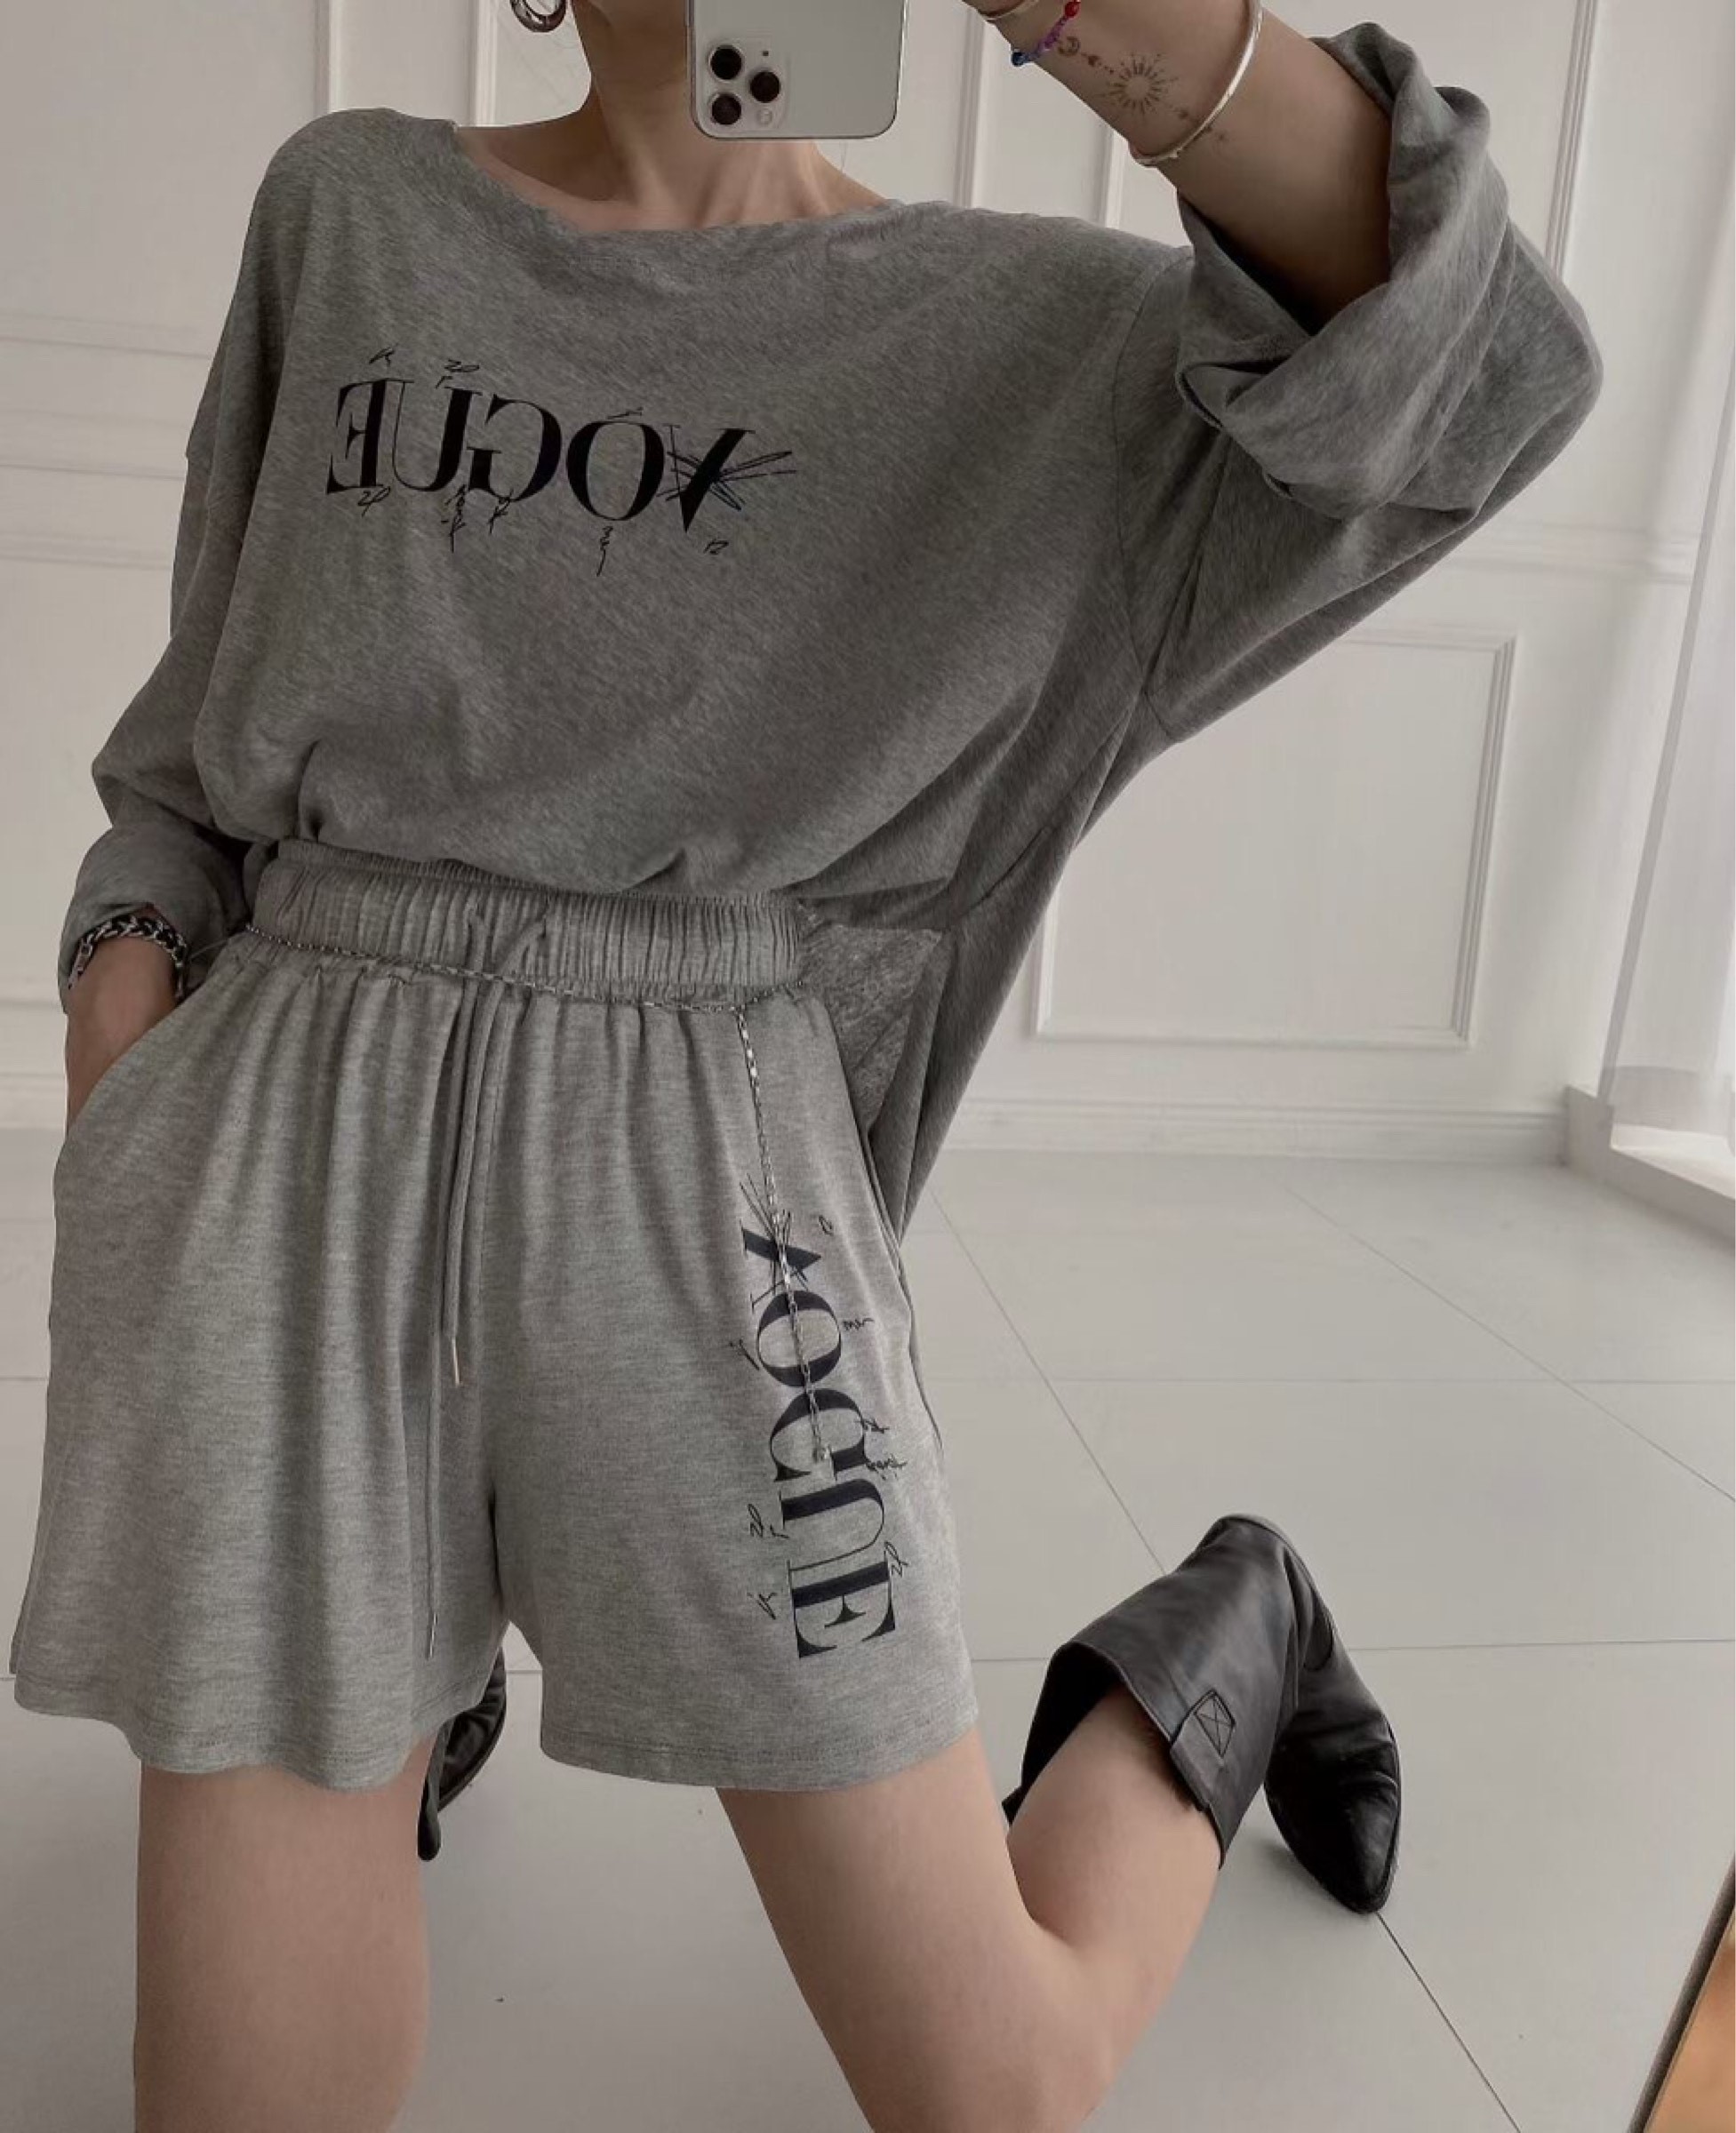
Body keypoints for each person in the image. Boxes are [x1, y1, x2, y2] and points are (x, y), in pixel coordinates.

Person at [10, 1, 1603, 2127]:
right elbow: (186, 747)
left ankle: (1228, 1631)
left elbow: (1479, 359)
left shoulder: (1018, 336)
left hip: (695, 1186)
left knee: (993, 2083)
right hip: (287, 1168)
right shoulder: (351, 207)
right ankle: (424, 1653)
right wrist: (121, 991)